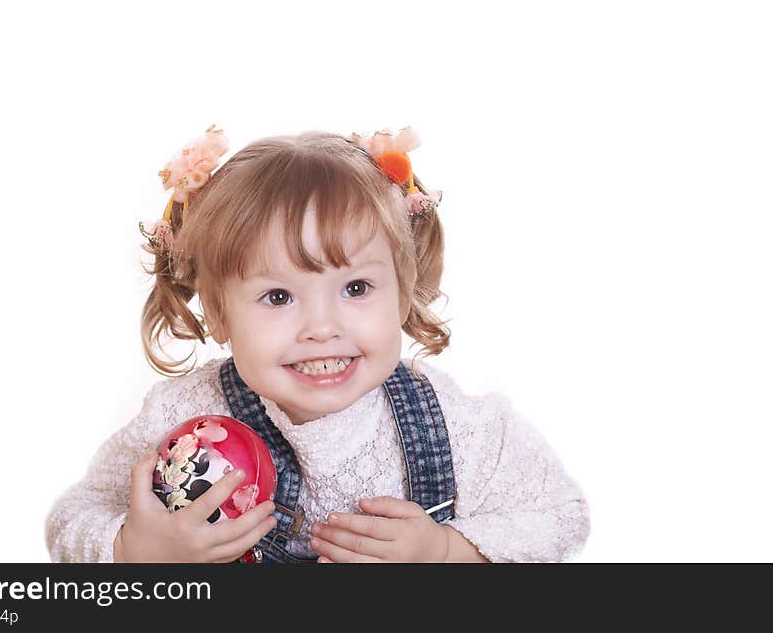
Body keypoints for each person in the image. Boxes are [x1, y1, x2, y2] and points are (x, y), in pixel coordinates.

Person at [44, 124, 591, 563]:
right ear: (218, 313)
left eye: (356, 288)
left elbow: (562, 516)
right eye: (279, 296)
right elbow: (74, 516)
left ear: (402, 293)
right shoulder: (183, 412)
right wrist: (135, 550)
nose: (321, 327)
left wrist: (449, 551)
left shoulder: (459, 426)